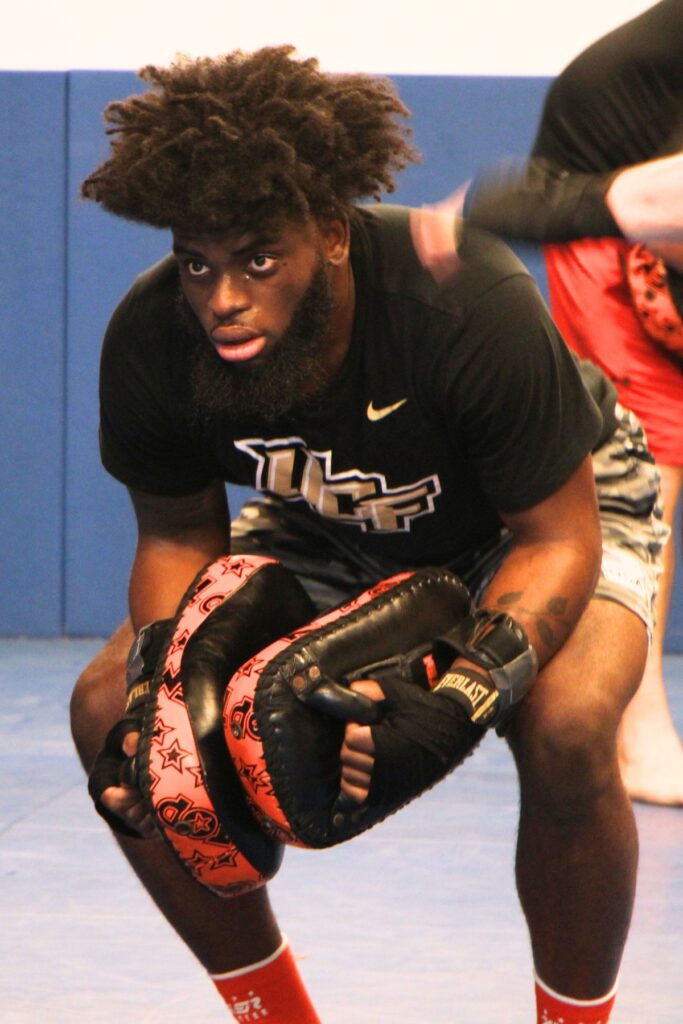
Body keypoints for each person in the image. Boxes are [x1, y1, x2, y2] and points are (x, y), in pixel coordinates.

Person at [70, 47, 666, 1024]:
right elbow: (177, 534)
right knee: (111, 714)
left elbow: (555, 542)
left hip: (551, 513)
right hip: (336, 514)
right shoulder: (153, 338)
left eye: (258, 259)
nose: (222, 297)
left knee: (562, 726)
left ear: (331, 236)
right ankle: (277, 1017)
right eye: (198, 263)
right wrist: (158, 697)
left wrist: (462, 691)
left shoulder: (462, 304)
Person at [432, 0, 683, 807]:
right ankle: (634, 734)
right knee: (654, 468)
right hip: (610, 213)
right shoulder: (640, 175)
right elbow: (600, 203)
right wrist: (492, 209)